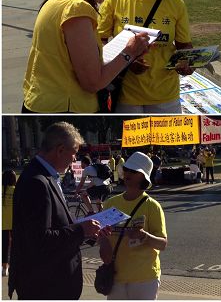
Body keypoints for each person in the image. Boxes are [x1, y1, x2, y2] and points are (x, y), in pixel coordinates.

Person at [22, 0, 150, 113]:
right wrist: (130, 53)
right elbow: (93, 82)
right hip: (65, 108)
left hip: (41, 101)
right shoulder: (77, 8)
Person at [8, 122, 106, 299]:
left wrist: (85, 228)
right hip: (46, 286)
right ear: (60, 150)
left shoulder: (44, 177)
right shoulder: (37, 182)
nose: (75, 159)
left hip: (49, 283)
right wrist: (82, 229)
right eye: (74, 153)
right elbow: (40, 241)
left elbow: (54, 227)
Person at [98, 0, 194, 113]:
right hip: (127, 93)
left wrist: (188, 63)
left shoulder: (175, 3)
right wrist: (126, 60)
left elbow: (184, 46)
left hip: (166, 94)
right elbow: (99, 43)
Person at [99, 152, 167, 299]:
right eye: (127, 169)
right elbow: (102, 239)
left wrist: (145, 236)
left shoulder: (152, 206)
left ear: (143, 176)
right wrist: (102, 239)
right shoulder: (111, 203)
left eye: (134, 171)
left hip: (145, 278)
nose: (128, 173)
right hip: (116, 276)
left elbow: (162, 244)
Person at [2, 170, 16, 277]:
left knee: (4, 246)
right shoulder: (16, 191)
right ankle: (13, 265)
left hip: (3, 223)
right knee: (15, 245)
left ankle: (4, 267)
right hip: (14, 222)